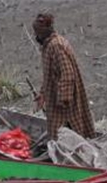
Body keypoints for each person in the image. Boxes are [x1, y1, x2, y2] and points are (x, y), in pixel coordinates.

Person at [32, 12, 95, 141]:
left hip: (64, 100)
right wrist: (43, 94)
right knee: (62, 130)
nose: (36, 36)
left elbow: (67, 74)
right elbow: (49, 75)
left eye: (37, 33)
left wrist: (63, 100)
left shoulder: (56, 46)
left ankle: (71, 153)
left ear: (43, 32)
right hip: (56, 95)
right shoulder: (49, 45)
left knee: (65, 130)